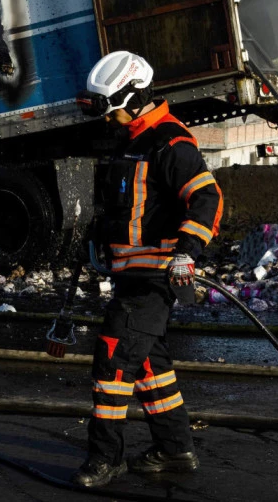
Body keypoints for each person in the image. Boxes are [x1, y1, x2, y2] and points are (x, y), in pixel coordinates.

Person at [72, 51, 224, 488]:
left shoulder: (170, 142)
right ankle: (175, 450)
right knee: (151, 367)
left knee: (113, 363)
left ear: (135, 99)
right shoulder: (132, 141)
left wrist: (187, 252)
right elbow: (130, 207)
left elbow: (207, 198)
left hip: (155, 277)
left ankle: (105, 459)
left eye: (112, 109)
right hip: (131, 276)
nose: (108, 119)